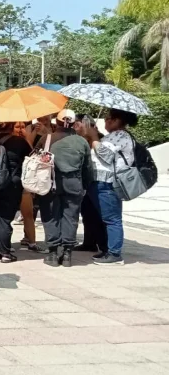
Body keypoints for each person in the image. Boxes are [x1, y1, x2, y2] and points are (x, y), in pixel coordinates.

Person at [84, 108, 137, 265]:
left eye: (108, 119)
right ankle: (106, 249)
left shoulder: (121, 135)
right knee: (102, 218)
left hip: (108, 183)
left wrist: (94, 137)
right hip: (99, 182)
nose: (105, 121)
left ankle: (114, 253)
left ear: (117, 121)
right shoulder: (113, 136)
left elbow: (106, 156)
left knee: (112, 219)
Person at [41, 109, 93, 267]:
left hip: (50, 183)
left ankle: (52, 253)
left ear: (56, 122)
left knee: (51, 216)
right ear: (74, 123)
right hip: (74, 183)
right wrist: (85, 185)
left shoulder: (47, 139)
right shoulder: (82, 142)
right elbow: (88, 168)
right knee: (71, 217)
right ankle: (67, 253)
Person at [0, 122, 33, 264]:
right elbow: (32, 158)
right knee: (4, 217)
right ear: (10, 126)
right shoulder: (18, 142)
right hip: (10, 184)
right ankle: (5, 252)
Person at [72, 114, 107, 253]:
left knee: (101, 215)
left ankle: (104, 246)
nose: (75, 127)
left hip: (100, 181)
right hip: (85, 182)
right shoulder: (79, 140)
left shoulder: (100, 139)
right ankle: (89, 242)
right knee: (87, 213)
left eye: (77, 124)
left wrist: (93, 138)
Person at [18, 116, 53, 254]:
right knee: (30, 208)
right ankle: (28, 238)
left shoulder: (54, 129)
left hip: (45, 171)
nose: (43, 117)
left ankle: (37, 238)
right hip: (31, 170)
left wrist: (45, 132)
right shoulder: (30, 128)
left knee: (41, 204)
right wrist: (33, 132)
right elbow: (29, 147)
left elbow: (52, 146)